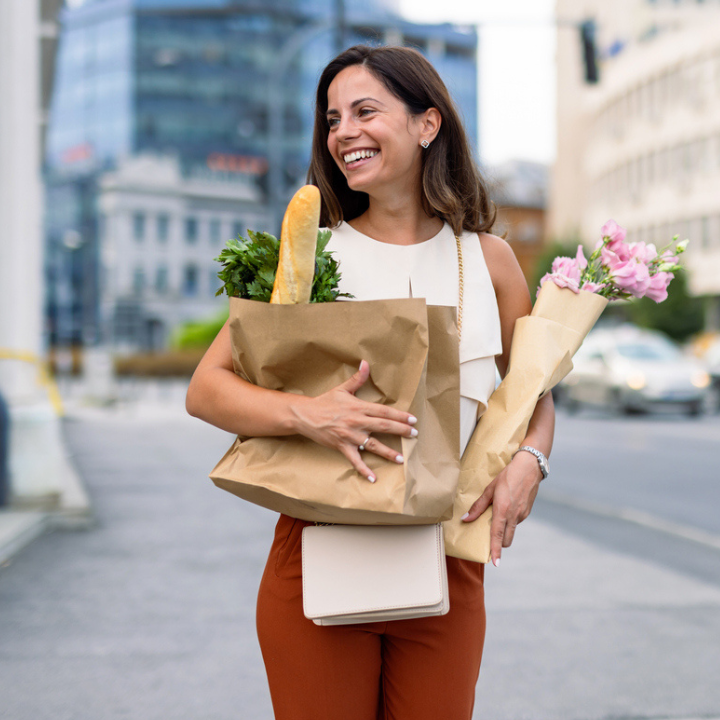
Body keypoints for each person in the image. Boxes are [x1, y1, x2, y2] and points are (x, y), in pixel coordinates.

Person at [186, 45, 554, 720]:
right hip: (319, 548)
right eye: (332, 119)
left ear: (427, 124)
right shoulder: (309, 258)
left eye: (364, 111)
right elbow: (206, 388)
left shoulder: (491, 261)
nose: (343, 132)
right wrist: (308, 415)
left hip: (446, 558)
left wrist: (531, 460)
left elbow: (533, 395)